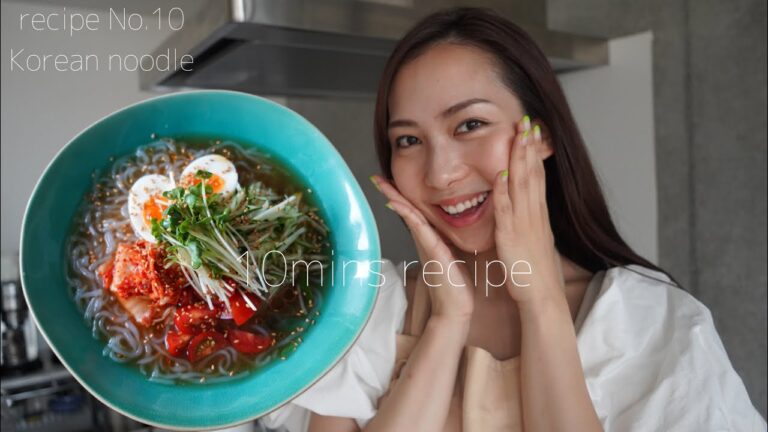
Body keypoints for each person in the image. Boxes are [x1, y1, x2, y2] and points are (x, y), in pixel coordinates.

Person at [261, 7, 766, 432]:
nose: (441, 173)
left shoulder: (650, 321)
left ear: (540, 135)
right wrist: (447, 319)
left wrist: (541, 297)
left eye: (471, 124)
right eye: (408, 140)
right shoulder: (365, 311)